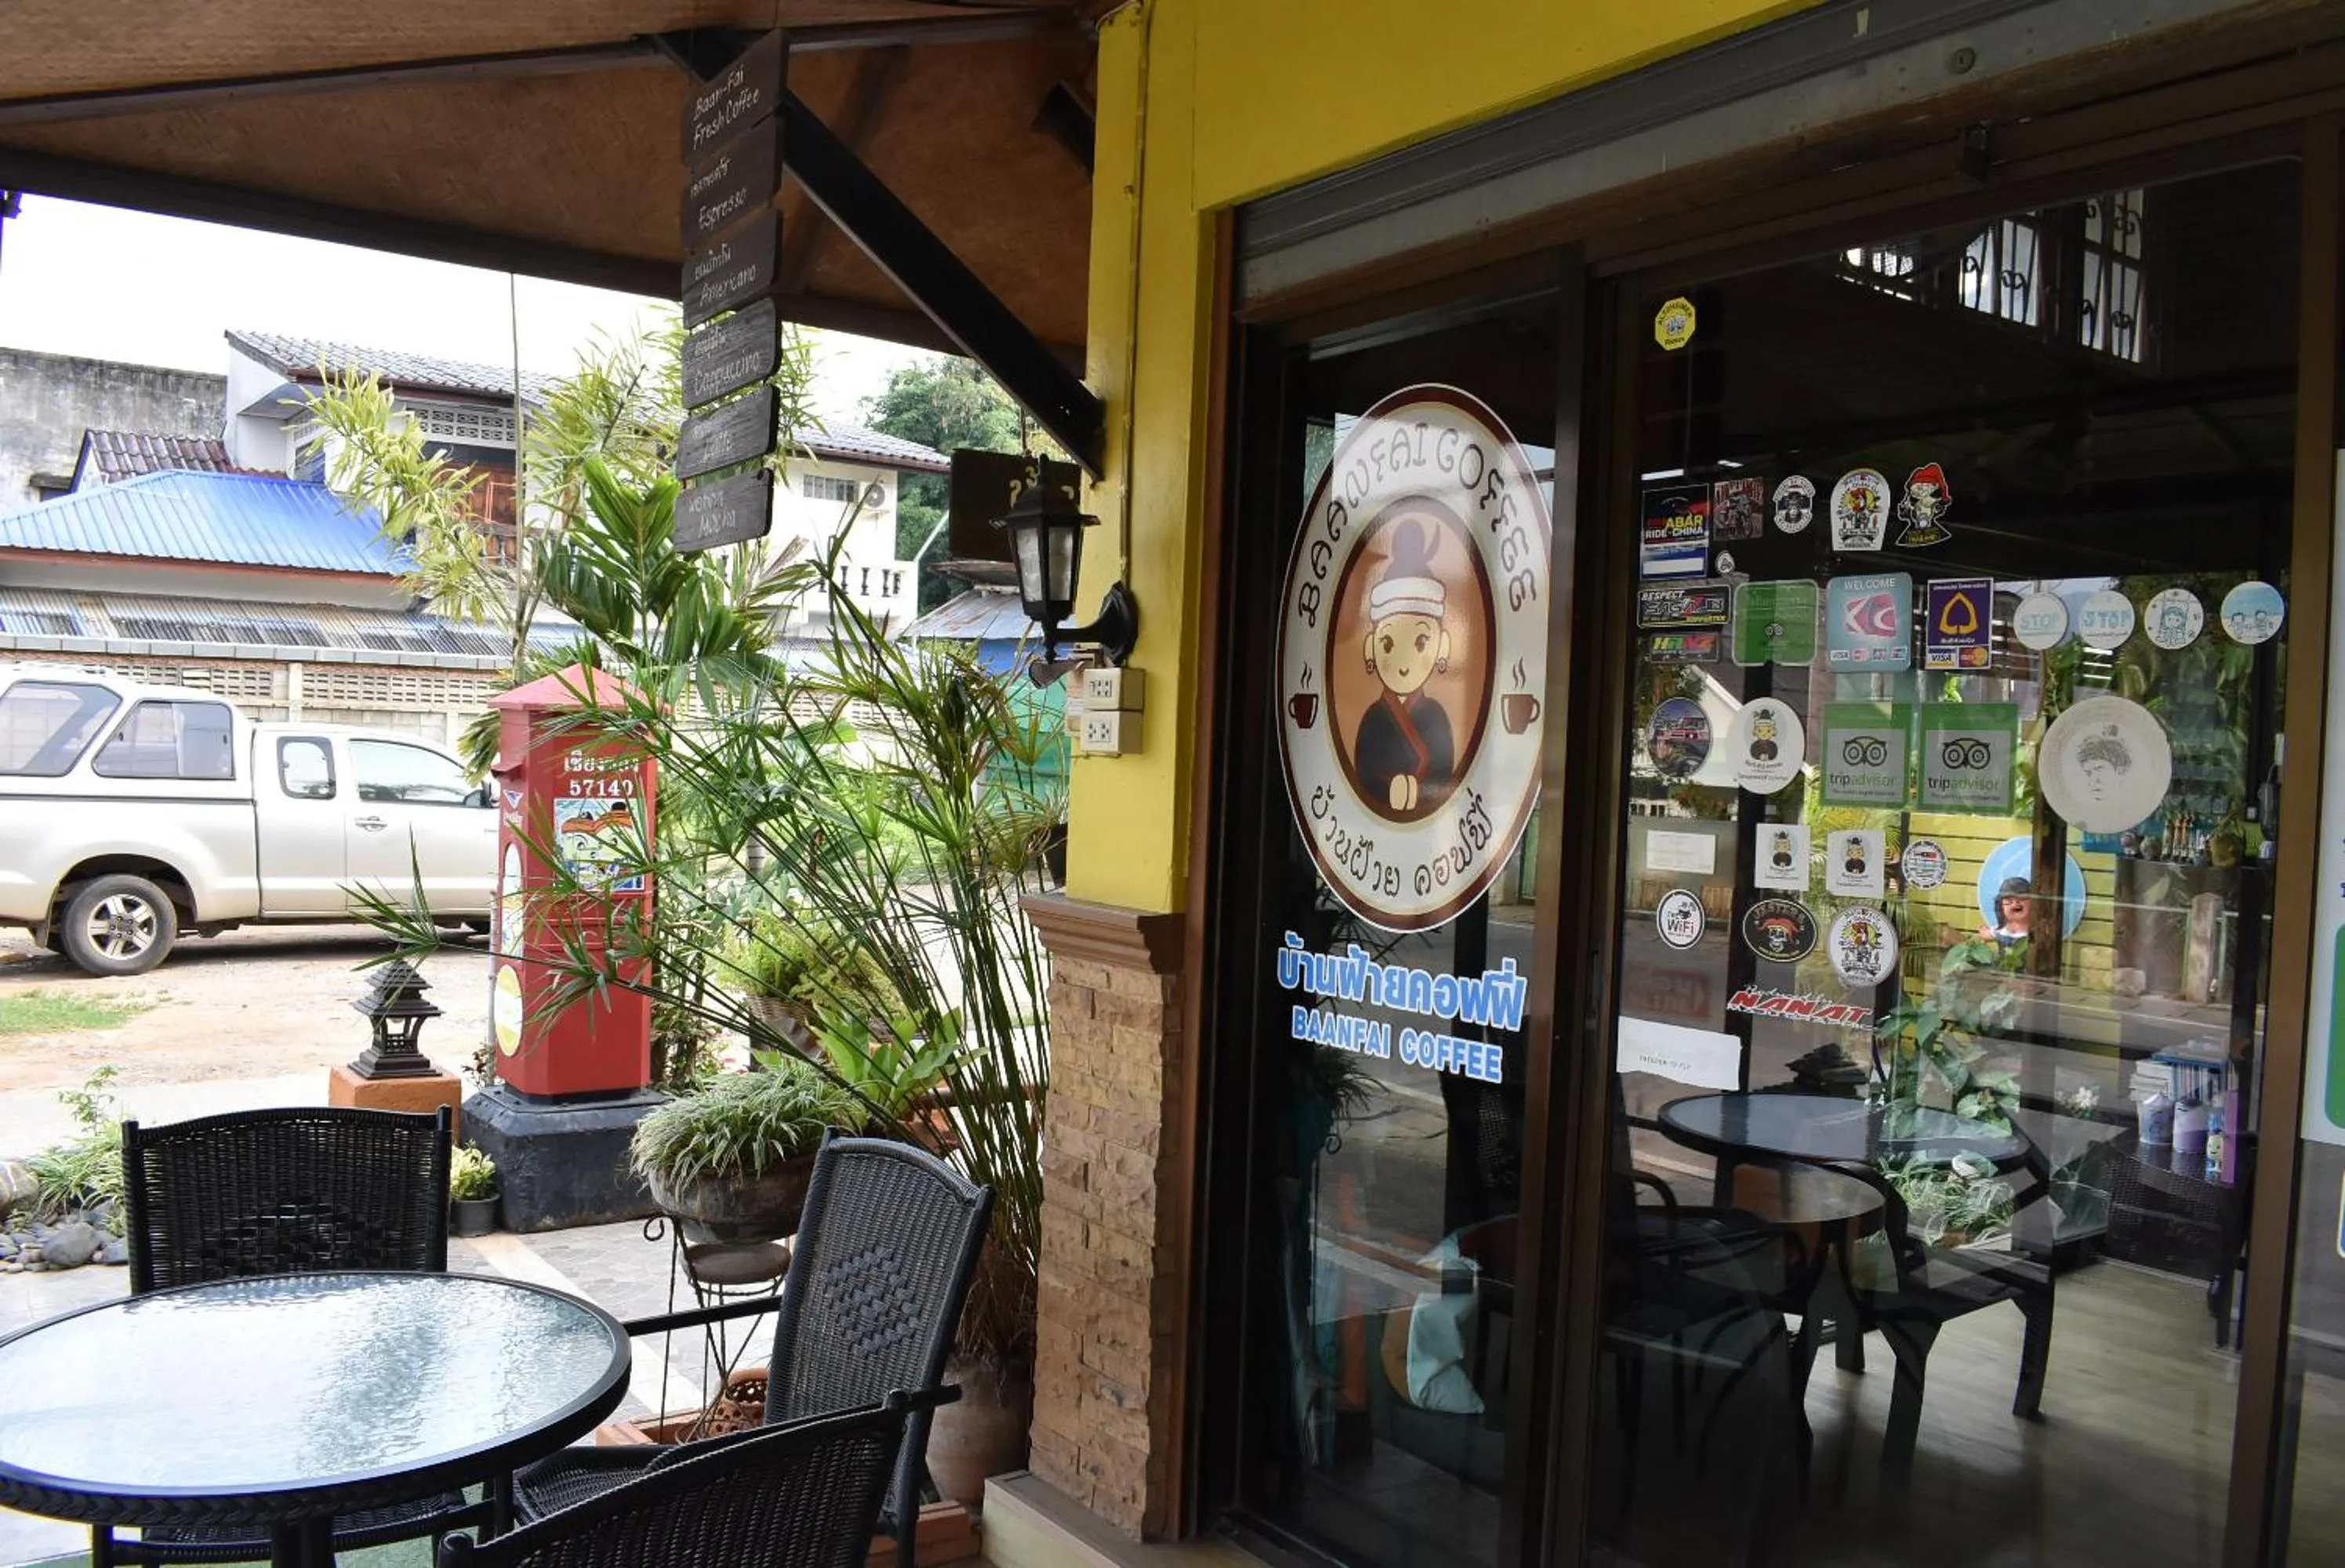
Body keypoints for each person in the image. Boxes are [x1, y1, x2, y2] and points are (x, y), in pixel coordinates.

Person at [1352, 517, 1457, 815]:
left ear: (1442, 646)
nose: (1403, 664)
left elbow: (1444, 775)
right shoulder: (1373, 719)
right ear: (1371, 647)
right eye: (1388, 644)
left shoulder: (1436, 717)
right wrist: (1388, 790)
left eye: (1420, 643)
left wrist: (1419, 791)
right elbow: (1364, 772)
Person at [1982, 876, 2033, 946]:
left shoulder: (2036, 933)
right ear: (2001, 906)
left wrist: (1997, 937)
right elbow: (1985, 934)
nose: (2015, 904)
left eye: (2022, 898)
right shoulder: (2001, 931)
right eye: (2009, 900)